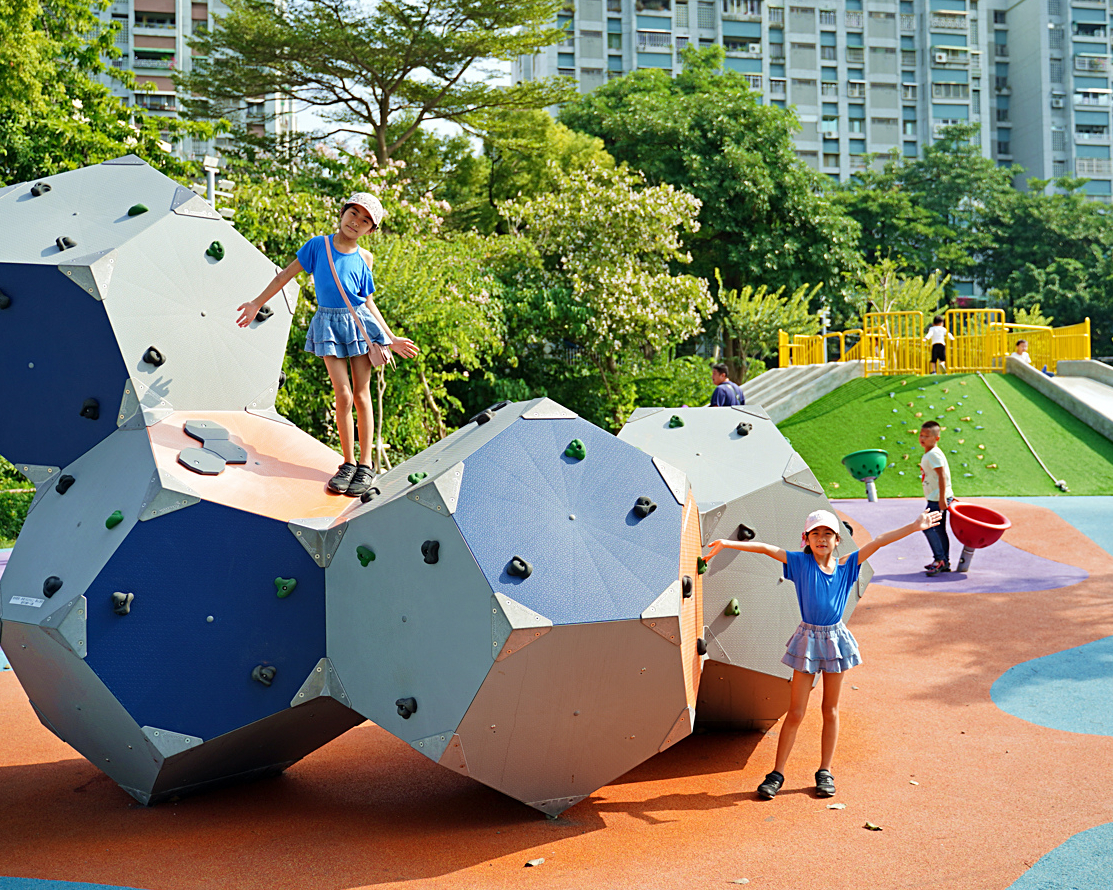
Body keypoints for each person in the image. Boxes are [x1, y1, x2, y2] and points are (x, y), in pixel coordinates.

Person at [706, 507, 941, 800]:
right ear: (806, 539)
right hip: (807, 639)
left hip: (834, 640)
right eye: (815, 534)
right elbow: (767, 548)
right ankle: (777, 773)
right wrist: (728, 543)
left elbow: (879, 540)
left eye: (827, 534)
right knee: (796, 711)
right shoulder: (800, 563)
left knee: (830, 709)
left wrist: (915, 525)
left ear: (837, 540)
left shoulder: (847, 567)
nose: (821, 539)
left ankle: (825, 771)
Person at [236, 193, 418, 497]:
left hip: (359, 325)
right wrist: (256, 303)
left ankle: (366, 464)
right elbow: (285, 276)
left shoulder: (365, 259)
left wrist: (390, 338)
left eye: (364, 221)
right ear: (343, 211)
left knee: (362, 394)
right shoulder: (317, 246)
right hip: (329, 325)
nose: (356, 222)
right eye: (353, 214)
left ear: (371, 231)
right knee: (342, 393)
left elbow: (368, 303)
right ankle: (347, 463)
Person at [919, 420, 955, 575]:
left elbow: (942, 476)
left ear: (936, 438)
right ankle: (944, 561)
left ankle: (940, 560)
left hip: (937, 499)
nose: (922, 438)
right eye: (921, 435)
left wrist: (942, 498)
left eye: (927, 436)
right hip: (935, 497)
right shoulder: (930, 453)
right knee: (939, 530)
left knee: (929, 527)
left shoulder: (933, 454)